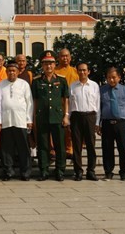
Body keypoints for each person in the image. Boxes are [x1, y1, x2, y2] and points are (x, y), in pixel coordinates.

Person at [32, 50, 69, 181]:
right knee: (43, 145)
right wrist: (34, 118)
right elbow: (34, 101)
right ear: (42, 65)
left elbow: (66, 99)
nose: (49, 66)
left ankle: (60, 170)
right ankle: (44, 170)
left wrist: (66, 115)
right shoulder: (36, 81)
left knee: (59, 145)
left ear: (55, 64)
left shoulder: (62, 80)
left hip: (57, 117)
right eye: (46, 64)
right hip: (42, 117)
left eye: (51, 63)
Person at [98, 66, 125, 181]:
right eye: (109, 78)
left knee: (123, 149)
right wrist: (98, 124)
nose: (111, 80)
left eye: (114, 77)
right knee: (107, 149)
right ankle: (108, 172)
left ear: (119, 77)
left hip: (121, 123)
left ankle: (124, 172)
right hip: (107, 123)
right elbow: (98, 108)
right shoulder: (101, 90)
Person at [0, 62, 33, 181]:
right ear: (6, 72)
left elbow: (29, 103)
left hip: (21, 120)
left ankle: (25, 172)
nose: (12, 72)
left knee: (23, 148)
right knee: (6, 149)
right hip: (6, 121)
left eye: (14, 70)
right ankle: (8, 171)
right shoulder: (1, 84)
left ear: (18, 72)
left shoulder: (24, 84)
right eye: (9, 70)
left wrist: (29, 119)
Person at [69, 62, 100, 181]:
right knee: (77, 145)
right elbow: (70, 104)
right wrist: (69, 119)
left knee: (91, 145)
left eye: (84, 70)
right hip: (76, 117)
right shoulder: (72, 86)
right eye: (80, 70)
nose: (82, 72)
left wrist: (97, 122)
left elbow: (97, 104)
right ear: (77, 71)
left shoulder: (94, 86)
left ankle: (91, 171)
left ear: (88, 71)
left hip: (90, 116)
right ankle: (78, 171)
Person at [55, 48, 78, 160]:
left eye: (67, 56)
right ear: (58, 58)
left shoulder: (75, 71)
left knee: (71, 128)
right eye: (62, 56)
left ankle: (70, 148)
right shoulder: (55, 71)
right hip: (59, 104)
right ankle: (56, 149)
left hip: (73, 104)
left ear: (70, 57)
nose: (65, 58)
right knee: (59, 128)